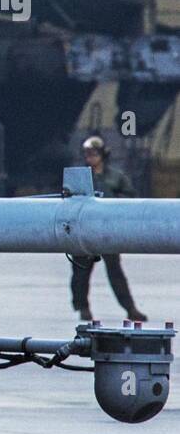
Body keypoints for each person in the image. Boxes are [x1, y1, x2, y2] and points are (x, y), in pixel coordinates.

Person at [70, 135, 148, 323]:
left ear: (103, 155)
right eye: (87, 154)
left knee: (115, 272)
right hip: (84, 230)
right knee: (80, 272)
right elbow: (69, 200)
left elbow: (130, 198)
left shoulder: (115, 177)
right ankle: (83, 307)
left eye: (94, 154)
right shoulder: (80, 178)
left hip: (107, 231)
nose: (90, 158)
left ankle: (130, 308)